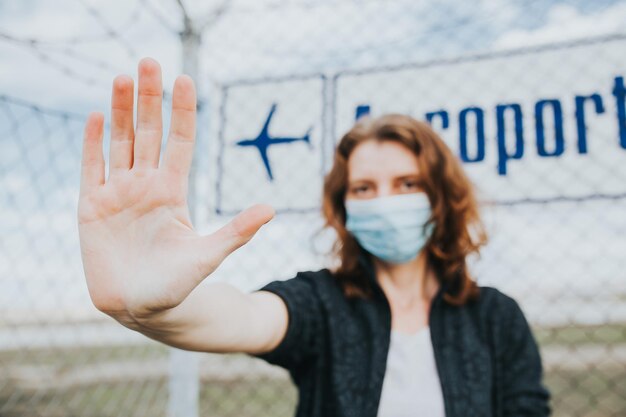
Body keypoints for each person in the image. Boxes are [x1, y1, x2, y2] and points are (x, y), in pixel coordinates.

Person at [78, 58, 551, 417]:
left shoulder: (496, 318)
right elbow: (245, 316)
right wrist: (160, 306)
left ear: (442, 196)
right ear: (343, 206)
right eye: (364, 188)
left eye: (408, 184)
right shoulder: (323, 303)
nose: (385, 200)